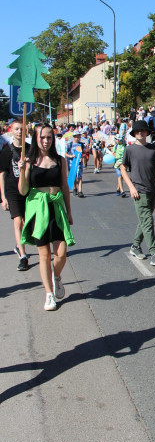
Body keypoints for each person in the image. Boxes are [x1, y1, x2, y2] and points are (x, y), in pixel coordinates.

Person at [18, 124, 74, 311]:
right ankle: (49, 295)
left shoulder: (60, 161)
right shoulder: (30, 161)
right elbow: (23, 191)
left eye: (49, 137)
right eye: (42, 137)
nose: (46, 141)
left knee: (61, 254)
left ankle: (56, 277)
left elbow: (65, 187)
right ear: (36, 138)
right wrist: (22, 171)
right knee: (44, 255)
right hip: (38, 210)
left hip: (56, 208)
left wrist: (69, 211)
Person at [120, 120, 155, 266]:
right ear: (134, 133)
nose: (140, 133)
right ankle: (154, 253)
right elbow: (123, 169)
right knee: (148, 221)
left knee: (144, 220)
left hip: (153, 190)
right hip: (139, 191)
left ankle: (135, 246)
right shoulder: (129, 150)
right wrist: (131, 187)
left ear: (147, 132)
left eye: (143, 130)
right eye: (137, 131)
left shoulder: (153, 148)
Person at [0, 120, 29, 270]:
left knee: (26, 223)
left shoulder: (30, 149)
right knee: (17, 222)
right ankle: (23, 256)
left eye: (22, 129)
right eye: (17, 129)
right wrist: (3, 197)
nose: (19, 132)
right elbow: (2, 174)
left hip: (28, 190)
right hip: (12, 191)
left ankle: (19, 246)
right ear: (11, 131)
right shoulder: (6, 151)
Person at [66, 131, 85, 197]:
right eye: (77, 137)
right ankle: (75, 188)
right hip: (72, 163)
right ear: (74, 137)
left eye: (79, 136)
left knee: (79, 176)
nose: (78, 138)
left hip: (79, 163)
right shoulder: (69, 144)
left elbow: (84, 153)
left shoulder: (81, 144)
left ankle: (80, 191)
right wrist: (70, 156)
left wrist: (82, 156)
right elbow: (65, 153)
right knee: (74, 176)